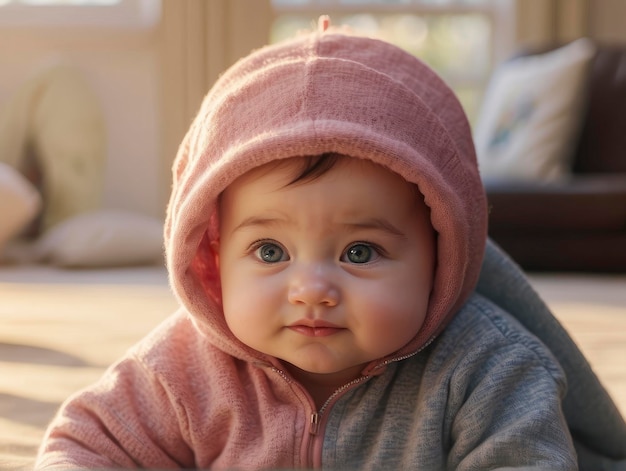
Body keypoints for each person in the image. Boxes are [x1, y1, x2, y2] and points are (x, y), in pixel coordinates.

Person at [35, 17, 625, 470]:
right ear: (212, 254)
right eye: (270, 251)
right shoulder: (183, 369)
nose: (312, 290)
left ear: (444, 255)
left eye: (359, 252)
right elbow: (83, 445)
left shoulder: (492, 370)